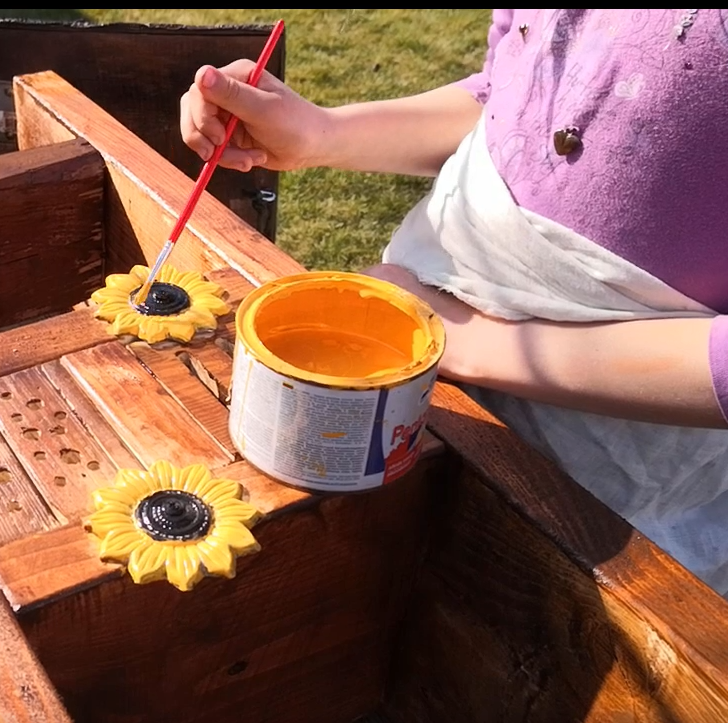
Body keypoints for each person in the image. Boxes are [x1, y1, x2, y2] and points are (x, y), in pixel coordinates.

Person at [179, 9, 728, 595]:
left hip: (595, 478)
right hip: (434, 365)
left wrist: (468, 340)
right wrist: (322, 133)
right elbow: (509, 93)